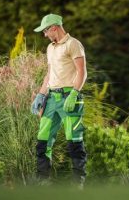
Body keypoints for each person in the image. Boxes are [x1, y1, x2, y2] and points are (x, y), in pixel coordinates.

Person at [31, 14, 87, 188]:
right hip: (51, 99)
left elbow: (82, 72)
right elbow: (49, 75)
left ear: (54, 27)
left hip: (69, 98)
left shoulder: (73, 44)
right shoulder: (50, 48)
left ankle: (78, 186)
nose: (45, 34)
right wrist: (40, 95)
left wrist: (74, 94)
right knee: (43, 142)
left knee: (74, 142)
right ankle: (43, 183)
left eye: (46, 30)